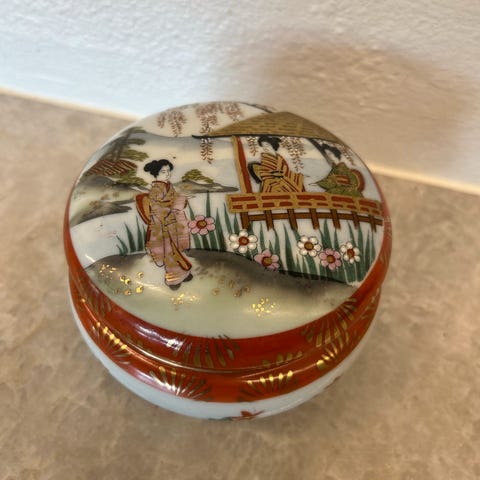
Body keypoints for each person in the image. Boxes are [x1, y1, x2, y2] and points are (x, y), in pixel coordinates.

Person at [136, 159, 192, 289]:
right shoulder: (157, 189)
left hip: (172, 223)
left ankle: (184, 273)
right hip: (162, 226)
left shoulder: (168, 186)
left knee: (175, 250)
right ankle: (173, 280)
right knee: (169, 252)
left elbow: (174, 199)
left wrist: (181, 200)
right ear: (156, 174)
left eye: (168, 171)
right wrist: (174, 206)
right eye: (163, 172)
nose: (167, 174)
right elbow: (156, 209)